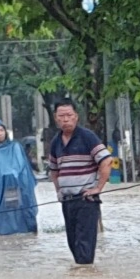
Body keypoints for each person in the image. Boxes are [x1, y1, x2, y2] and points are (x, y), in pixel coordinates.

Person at [46, 100, 113, 267]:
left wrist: (97, 188)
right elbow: (54, 170)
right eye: (61, 116)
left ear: (76, 117)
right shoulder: (56, 142)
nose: (65, 120)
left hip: (85, 200)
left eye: (69, 115)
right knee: (72, 242)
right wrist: (58, 191)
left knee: (84, 245)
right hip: (67, 201)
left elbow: (107, 160)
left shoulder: (87, 137)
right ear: (56, 118)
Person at [0, 119, 39, 235]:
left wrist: (12, 176)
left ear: (5, 132)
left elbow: (23, 168)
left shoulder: (16, 147)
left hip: (16, 185)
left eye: (1, 130)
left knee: (19, 210)